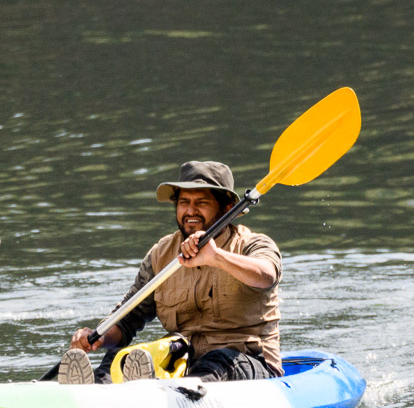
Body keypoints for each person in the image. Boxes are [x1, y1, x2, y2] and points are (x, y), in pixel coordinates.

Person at [55, 160, 283, 385]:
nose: (190, 211)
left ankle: (171, 396)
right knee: (119, 358)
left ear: (227, 209)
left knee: (217, 362)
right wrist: (99, 337)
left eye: (201, 202)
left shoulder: (253, 244)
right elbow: (127, 321)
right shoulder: (161, 255)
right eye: (184, 202)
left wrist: (216, 257)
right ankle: (92, 392)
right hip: (182, 358)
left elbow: (267, 275)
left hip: (249, 361)